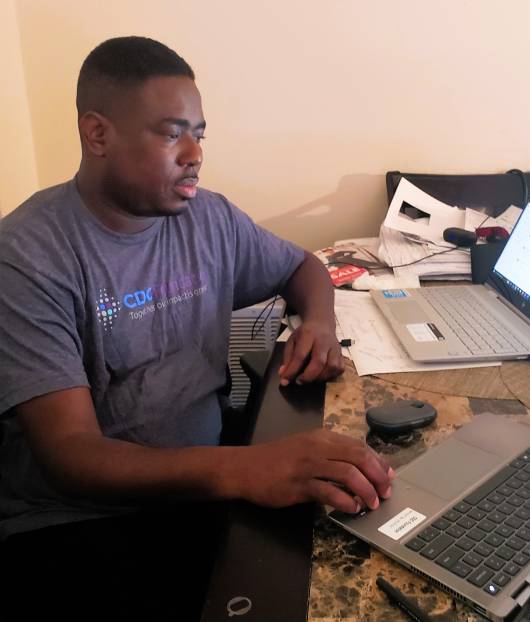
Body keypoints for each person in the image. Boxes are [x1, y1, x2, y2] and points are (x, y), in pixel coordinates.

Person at [0, 37, 393, 621]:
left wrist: (319, 321)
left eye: (200, 133)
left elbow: (301, 267)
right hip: (79, 518)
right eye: (171, 132)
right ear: (97, 134)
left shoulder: (207, 217)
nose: (195, 154)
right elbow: (72, 455)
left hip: (207, 473)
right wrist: (248, 470)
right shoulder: (29, 256)